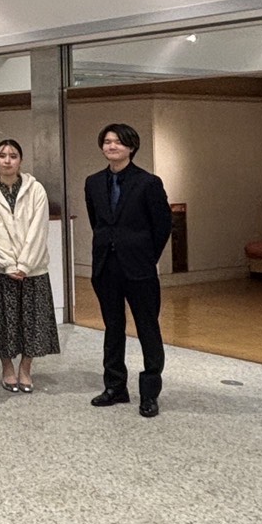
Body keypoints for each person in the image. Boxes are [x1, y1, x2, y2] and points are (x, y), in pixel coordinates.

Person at [84, 122, 172, 417]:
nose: (112, 146)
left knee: (148, 328)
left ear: (131, 147)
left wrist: (146, 256)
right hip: (106, 266)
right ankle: (115, 387)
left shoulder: (148, 182)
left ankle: (149, 393)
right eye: (107, 141)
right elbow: (97, 221)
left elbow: (162, 226)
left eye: (118, 142)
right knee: (113, 328)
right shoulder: (93, 182)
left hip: (139, 268)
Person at [0, 139, 59, 393]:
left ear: (20, 160)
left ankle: (26, 368)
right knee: (3, 322)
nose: (7, 160)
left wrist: (24, 264)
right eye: (2, 155)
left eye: (13, 155)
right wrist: (8, 264)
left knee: (33, 322)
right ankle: (7, 368)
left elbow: (38, 229)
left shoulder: (36, 189)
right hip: (1, 269)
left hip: (33, 269)